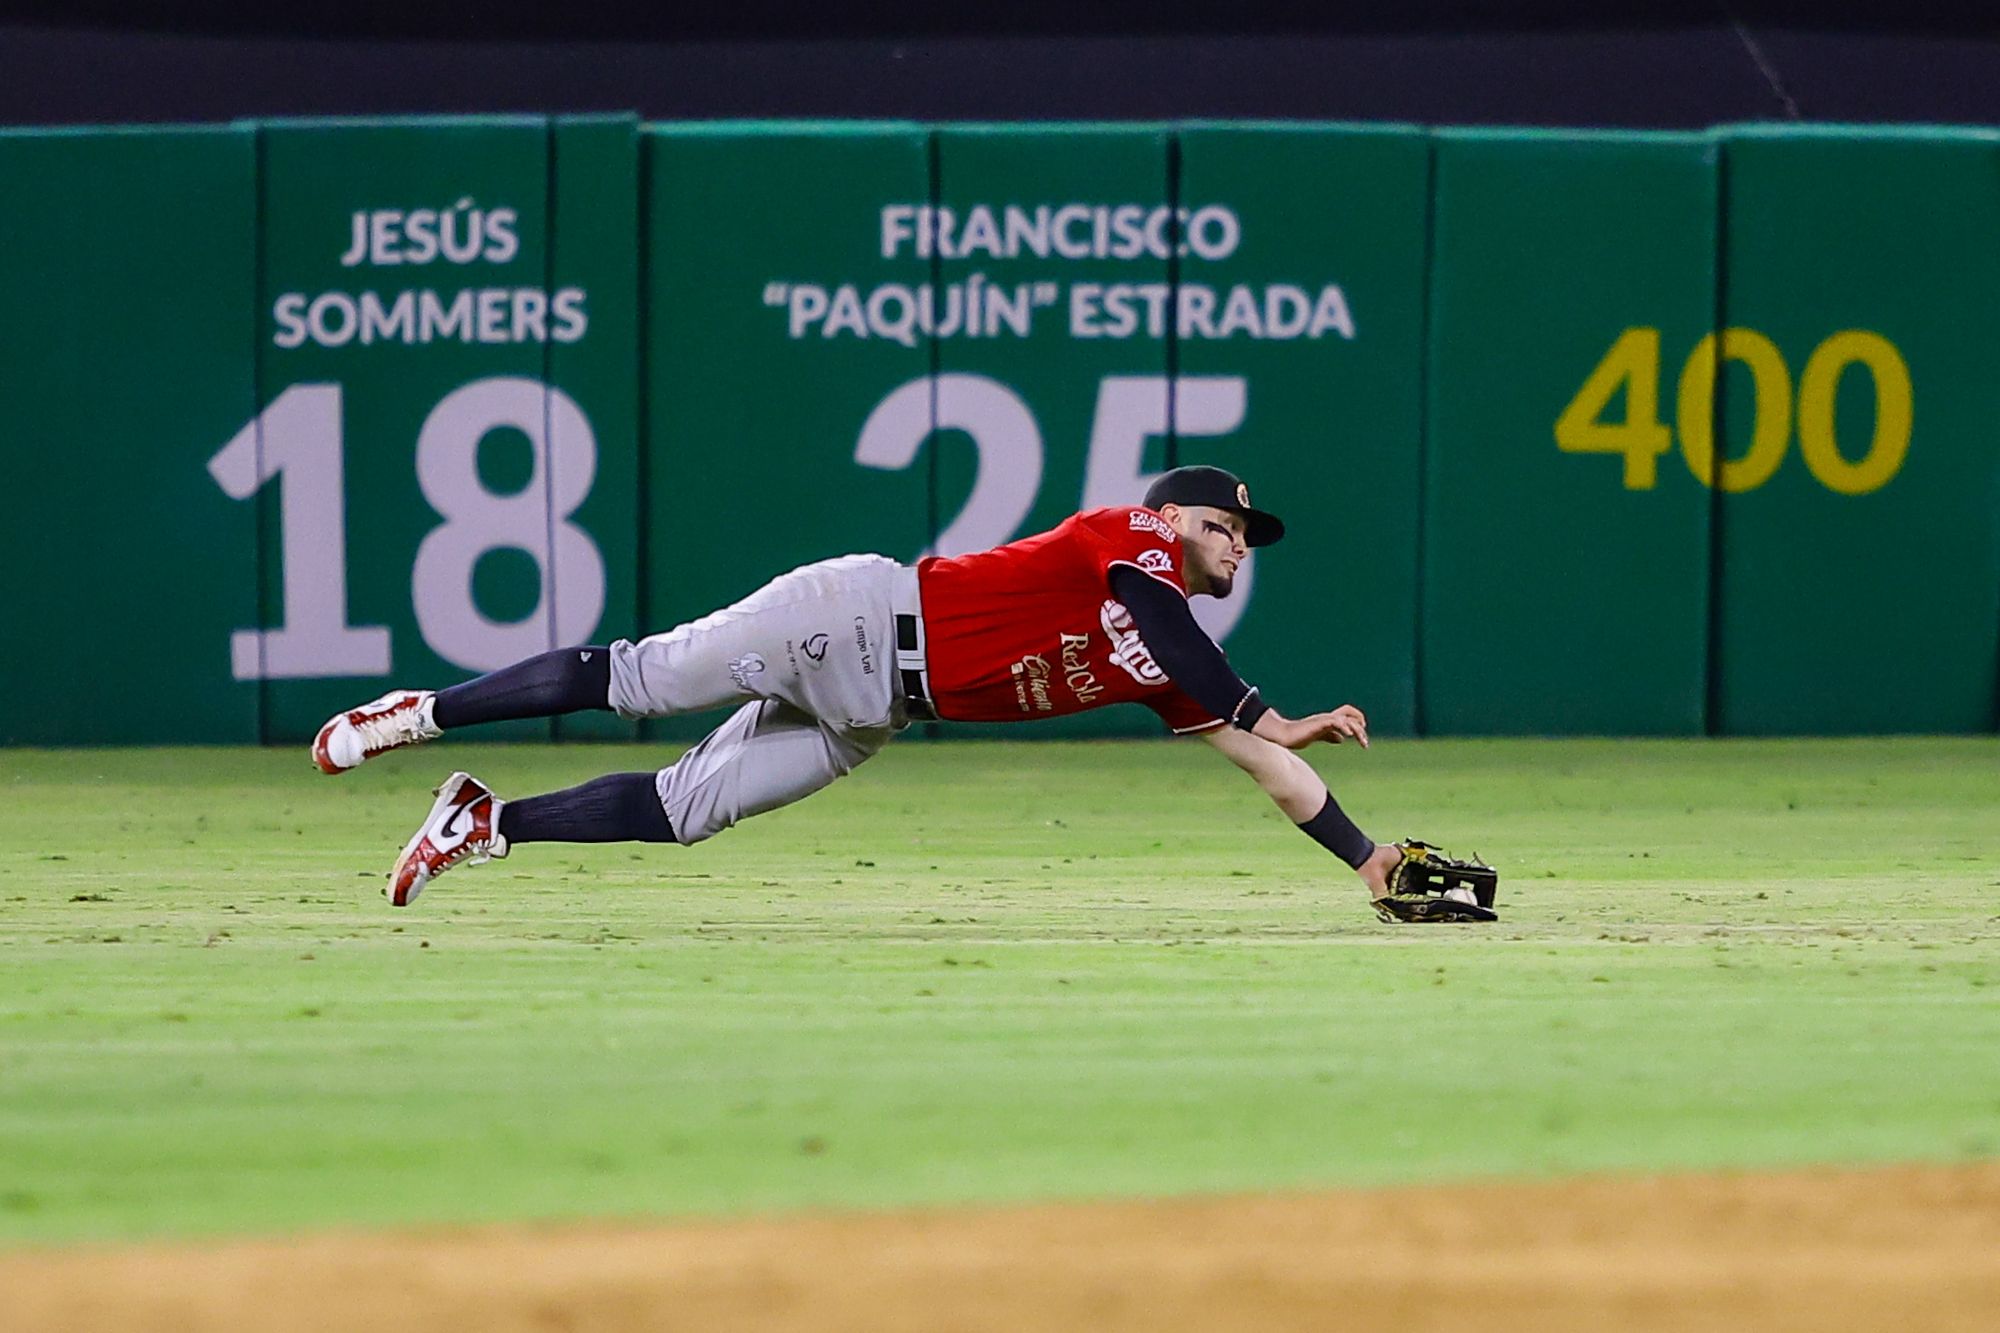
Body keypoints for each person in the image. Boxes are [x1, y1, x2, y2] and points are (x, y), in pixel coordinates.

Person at [314, 465, 1406, 911]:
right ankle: (419, 712)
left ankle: (479, 821)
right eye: (1222, 524)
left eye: (1246, 537)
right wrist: (1275, 708)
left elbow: (1263, 765)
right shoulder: (1127, 538)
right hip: (851, 618)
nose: (1237, 545)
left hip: (879, 709)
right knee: (643, 679)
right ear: (1168, 517)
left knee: (684, 810)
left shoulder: (1164, 660)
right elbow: (1172, 625)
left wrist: (1367, 860)